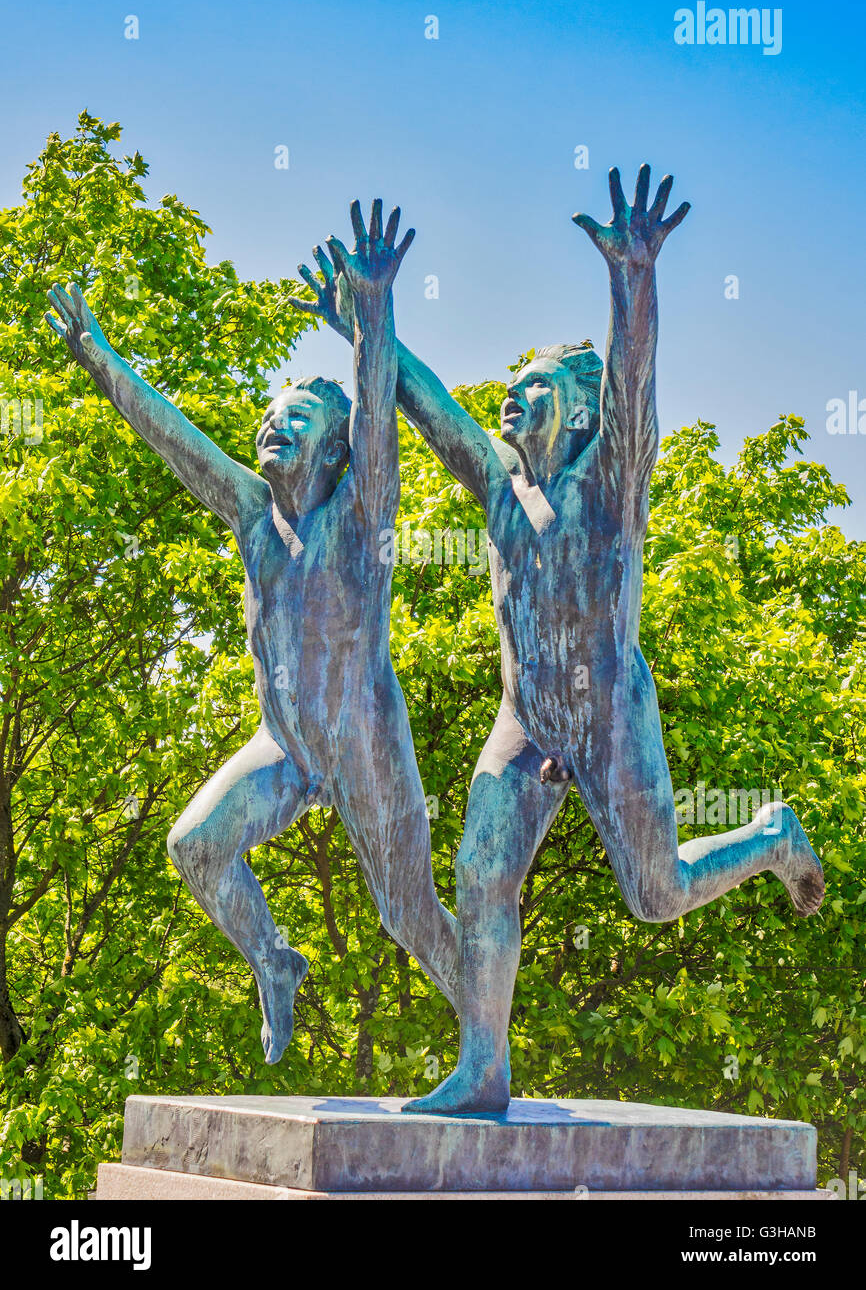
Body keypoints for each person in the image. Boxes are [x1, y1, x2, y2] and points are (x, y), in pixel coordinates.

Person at [299, 167, 825, 1114]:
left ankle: (767, 835)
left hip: (612, 719)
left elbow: (634, 382)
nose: (510, 401)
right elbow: (430, 411)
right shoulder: (503, 485)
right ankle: (484, 1067)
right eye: (511, 387)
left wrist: (633, 279)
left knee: (655, 895)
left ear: (576, 413)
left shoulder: (611, 486)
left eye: (533, 390)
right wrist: (371, 321)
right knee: (479, 873)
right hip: (529, 724)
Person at [46, 200, 457, 1065]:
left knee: (407, 914)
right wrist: (98, 356)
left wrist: (373, 313)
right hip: (288, 748)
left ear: (337, 450)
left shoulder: (361, 513)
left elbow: (381, 421)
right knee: (194, 846)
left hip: (364, 748)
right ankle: (274, 960)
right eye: (269, 417)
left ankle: (483, 1039)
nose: (272, 426)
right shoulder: (249, 511)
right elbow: (172, 438)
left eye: (295, 419)